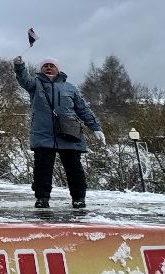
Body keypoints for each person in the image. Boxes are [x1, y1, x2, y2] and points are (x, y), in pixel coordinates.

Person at [14, 55, 104, 208]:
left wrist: (95, 128)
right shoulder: (35, 85)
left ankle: (78, 198)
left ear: (58, 69)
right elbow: (23, 79)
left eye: (52, 65)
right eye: (45, 66)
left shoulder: (70, 87)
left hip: (68, 133)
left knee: (74, 169)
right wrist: (19, 66)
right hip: (43, 134)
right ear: (41, 70)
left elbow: (83, 109)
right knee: (42, 169)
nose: (48, 68)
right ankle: (42, 198)